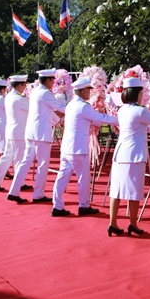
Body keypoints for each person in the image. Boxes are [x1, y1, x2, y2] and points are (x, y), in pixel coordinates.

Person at [107, 77, 150, 236]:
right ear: (137, 93)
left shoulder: (122, 110)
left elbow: (139, 126)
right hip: (134, 156)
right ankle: (133, 223)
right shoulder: (140, 111)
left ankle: (113, 223)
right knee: (134, 192)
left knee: (116, 191)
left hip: (121, 154)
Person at [51, 76, 118, 217]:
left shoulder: (71, 104)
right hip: (78, 149)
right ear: (82, 92)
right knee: (83, 179)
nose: (89, 92)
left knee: (62, 177)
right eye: (88, 90)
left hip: (67, 147)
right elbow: (101, 118)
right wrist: (120, 119)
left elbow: (90, 120)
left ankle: (57, 205)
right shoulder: (83, 106)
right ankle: (84, 205)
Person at [6, 69, 66, 203]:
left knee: (25, 162)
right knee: (42, 164)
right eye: (53, 80)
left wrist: (57, 121)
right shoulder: (46, 93)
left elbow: (45, 111)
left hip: (31, 132)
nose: (54, 83)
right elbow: (61, 107)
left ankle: (14, 191)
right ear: (48, 80)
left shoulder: (35, 92)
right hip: (41, 134)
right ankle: (38, 194)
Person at [0, 75, 29, 192]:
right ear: (19, 85)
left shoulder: (8, 96)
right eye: (24, 85)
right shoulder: (18, 98)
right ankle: (18, 183)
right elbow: (34, 109)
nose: (25, 87)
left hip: (10, 131)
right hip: (18, 132)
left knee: (7, 157)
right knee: (19, 158)